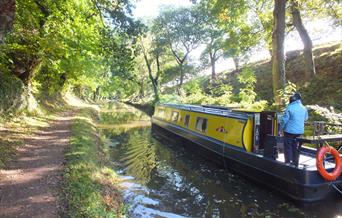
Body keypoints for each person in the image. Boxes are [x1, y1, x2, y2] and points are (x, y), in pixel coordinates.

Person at [281, 92, 308, 166]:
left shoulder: (289, 107)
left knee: (287, 146)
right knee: (295, 146)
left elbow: (284, 120)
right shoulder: (304, 108)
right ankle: (295, 162)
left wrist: (281, 128)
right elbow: (305, 119)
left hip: (289, 131)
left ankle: (287, 162)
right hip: (299, 131)